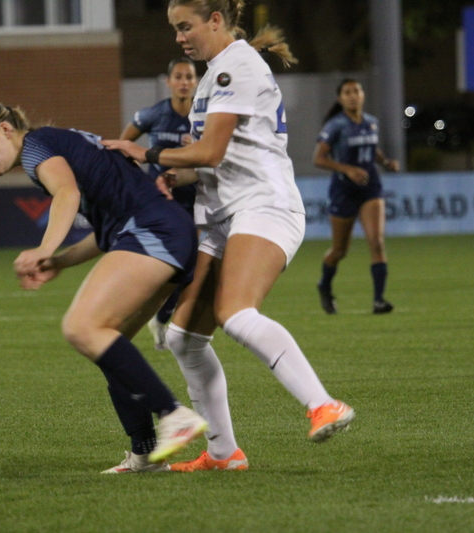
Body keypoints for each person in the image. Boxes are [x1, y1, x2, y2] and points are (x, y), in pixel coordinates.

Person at [103, 0, 354, 473]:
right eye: (175, 28)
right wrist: (174, 178)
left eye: (185, 26)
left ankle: (324, 404)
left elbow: (212, 151)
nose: (179, 37)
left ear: (215, 20)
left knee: (235, 313)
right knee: (183, 338)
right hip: (222, 213)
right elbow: (215, 159)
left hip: (264, 206)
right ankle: (223, 453)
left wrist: (148, 153)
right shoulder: (217, 70)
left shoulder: (233, 67)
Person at [0, 101, 208, 473]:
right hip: (164, 229)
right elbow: (108, 234)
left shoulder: (35, 148)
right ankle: (144, 454)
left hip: (154, 230)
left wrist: (45, 247)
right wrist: (58, 261)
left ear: (5, 130)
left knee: (80, 327)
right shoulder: (59, 146)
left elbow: (66, 194)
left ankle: (174, 414)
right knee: (109, 347)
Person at [119, 56, 198, 351]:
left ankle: (160, 318)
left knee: (188, 271)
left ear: (196, 81)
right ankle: (133, 321)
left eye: (189, 77)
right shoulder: (153, 115)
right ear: (168, 81)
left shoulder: (204, 118)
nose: (183, 82)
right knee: (166, 269)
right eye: (178, 76)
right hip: (160, 206)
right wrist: (138, 185)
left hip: (195, 201)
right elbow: (124, 147)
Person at [312, 79, 399, 315]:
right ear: (340, 98)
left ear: (363, 95)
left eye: (357, 91)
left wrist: (385, 162)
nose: (353, 96)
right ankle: (325, 285)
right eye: (347, 92)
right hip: (344, 190)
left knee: (377, 241)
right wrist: (347, 169)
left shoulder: (371, 122)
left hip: (370, 188)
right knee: (340, 250)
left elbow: (372, 149)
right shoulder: (336, 125)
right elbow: (318, 159)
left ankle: (379, 300)